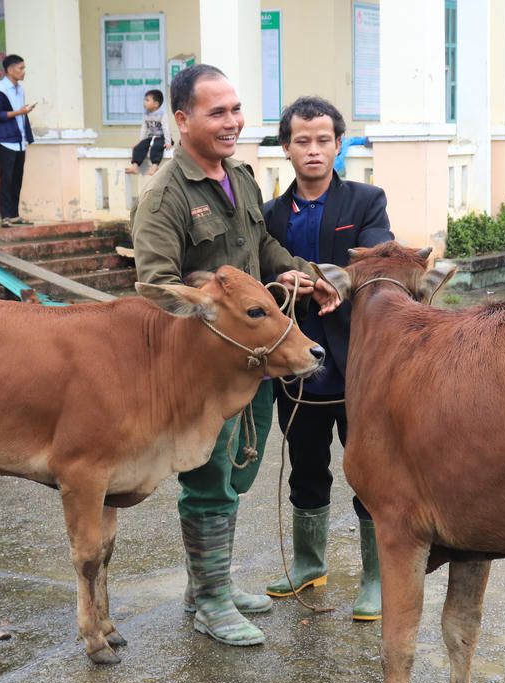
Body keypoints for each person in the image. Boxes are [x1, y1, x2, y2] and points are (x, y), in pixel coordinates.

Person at [130, 64, 340, 647]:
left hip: (256, 360)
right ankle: (212, 602)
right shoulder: (165, 197)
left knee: (238, 473)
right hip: (203, 372)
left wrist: (295, 273)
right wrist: (216, 293)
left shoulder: (240, 178)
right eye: (217, 112)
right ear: (182, 119)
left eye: (236, 110)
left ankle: (207, 585)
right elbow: (154, 288)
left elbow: (263, 246)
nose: (232, 122)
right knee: (209, 482)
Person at [260, 95, 393, 621]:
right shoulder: (269, 214)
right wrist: (283, 283)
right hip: (295, 365)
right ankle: (309, 563)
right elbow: (259, 279)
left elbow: (378, 263)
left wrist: (330, 278)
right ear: (286, 148)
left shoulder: (365, 201)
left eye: (323, 141)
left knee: (367, 469)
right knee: (306, 465)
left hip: (356, 361)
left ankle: (378, 577)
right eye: (301, 141)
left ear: (339, 145)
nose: (313, 151)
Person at [0, 54, 36, 228]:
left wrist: (23, 112)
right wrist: (19, 112)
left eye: (24, 68)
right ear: (10, 70)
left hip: (19, 139)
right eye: (20, 68)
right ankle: (5, 216)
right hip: (5, 140)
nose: (24, 72)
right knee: (6, 178)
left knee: (17, 178)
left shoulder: (20, 89)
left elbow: (19, 113)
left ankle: (15, 215)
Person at [124, 89, 172, 176]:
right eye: (144, 100)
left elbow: (166, 128)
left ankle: (154, 167)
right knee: (138, 148)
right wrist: (141, 142)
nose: (144, 102)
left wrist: (168, 142)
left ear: (156, 104)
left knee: (157, 147)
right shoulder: (146, 114)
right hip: (151, 137)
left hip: (162, 138)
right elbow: (144, 128)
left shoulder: (162, 114)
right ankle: (134, 166)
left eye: (147, 100)